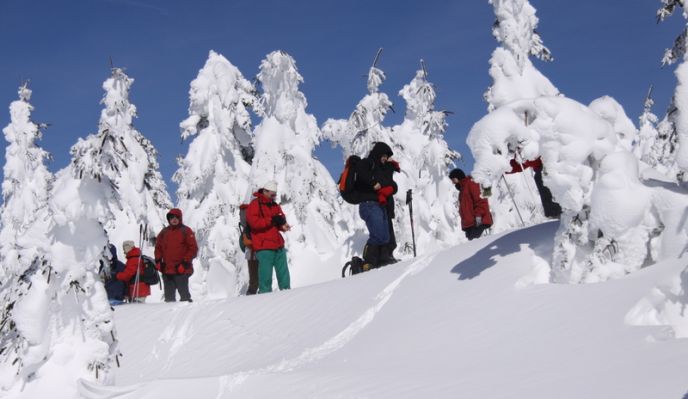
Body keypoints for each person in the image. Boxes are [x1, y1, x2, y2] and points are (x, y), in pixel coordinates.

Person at [352, 142, 399, 269]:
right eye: (383, 155)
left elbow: (391, 184)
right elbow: (360, 170)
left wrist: (392, 187)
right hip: (369, 204)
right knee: (378, 235)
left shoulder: (380, 168)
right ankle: (368, 261)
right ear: (378, 153)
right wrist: (373, 183)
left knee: (385, 236)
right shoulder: (369, 162)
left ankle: (381, 260)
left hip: (378, 205)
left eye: (386, 156)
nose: (385, 158)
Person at [246, 180, 291, 293]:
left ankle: (288, 296)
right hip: (264, 246)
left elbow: (279, 219)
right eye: (272, 194)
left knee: (284, 274)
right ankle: (265, 300)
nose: (274, 197)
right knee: (265, 277)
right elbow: (253, 223)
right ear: (265, 191)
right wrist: (271, 220)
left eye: (275, 194)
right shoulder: (255, 204)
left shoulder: (274, 205)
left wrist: (283, 225)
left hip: (278, 245)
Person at [155, 208, 198, 302]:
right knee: (169, 298)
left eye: (176, 217)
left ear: (180, 218)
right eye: (171, 217)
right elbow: (158, 247)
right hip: (167, 270)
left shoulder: (186, 231)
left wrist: (185, 262)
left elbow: (193, 249)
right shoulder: (164, 232)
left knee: (185, 297)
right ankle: (170, 316)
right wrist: (158, 260)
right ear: (169, 219)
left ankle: (188, 315)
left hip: (181, 269)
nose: (174, 219)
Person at [449, 168, 493, 240]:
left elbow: (480, 200)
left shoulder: (471, 183)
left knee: (477, 247)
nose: (453, 183)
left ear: (458, 177)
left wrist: (479, 216)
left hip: (478, 223)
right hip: (470, 225)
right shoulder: (462, 190)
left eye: (454, 180)